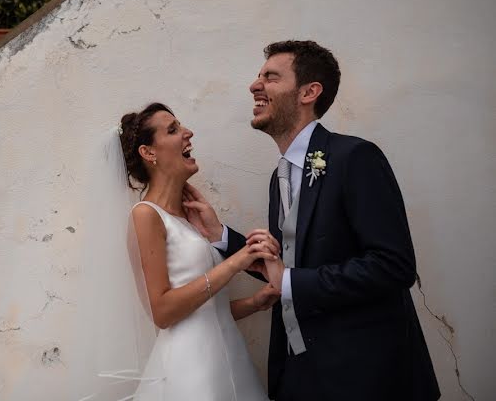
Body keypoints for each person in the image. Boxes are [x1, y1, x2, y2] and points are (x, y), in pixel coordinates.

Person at [185, 40, 440, 401]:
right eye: (259, 76)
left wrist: (289, 280)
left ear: (309, 92)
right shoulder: (279, 179)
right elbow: (288, 263)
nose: (254, 85)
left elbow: (393, 266)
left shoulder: (355, 157)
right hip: (300, 378)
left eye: (270, 77)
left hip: (366, 377)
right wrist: (221, 235)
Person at [118, 102, 280, 400]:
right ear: (148, 152)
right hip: (189, 372)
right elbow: (163, 313)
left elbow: (206, 314)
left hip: (228, 360)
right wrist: (236, 261)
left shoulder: (190, 218)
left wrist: (255, 302)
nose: (188, 133)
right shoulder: (145, 215)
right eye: (173, 129)